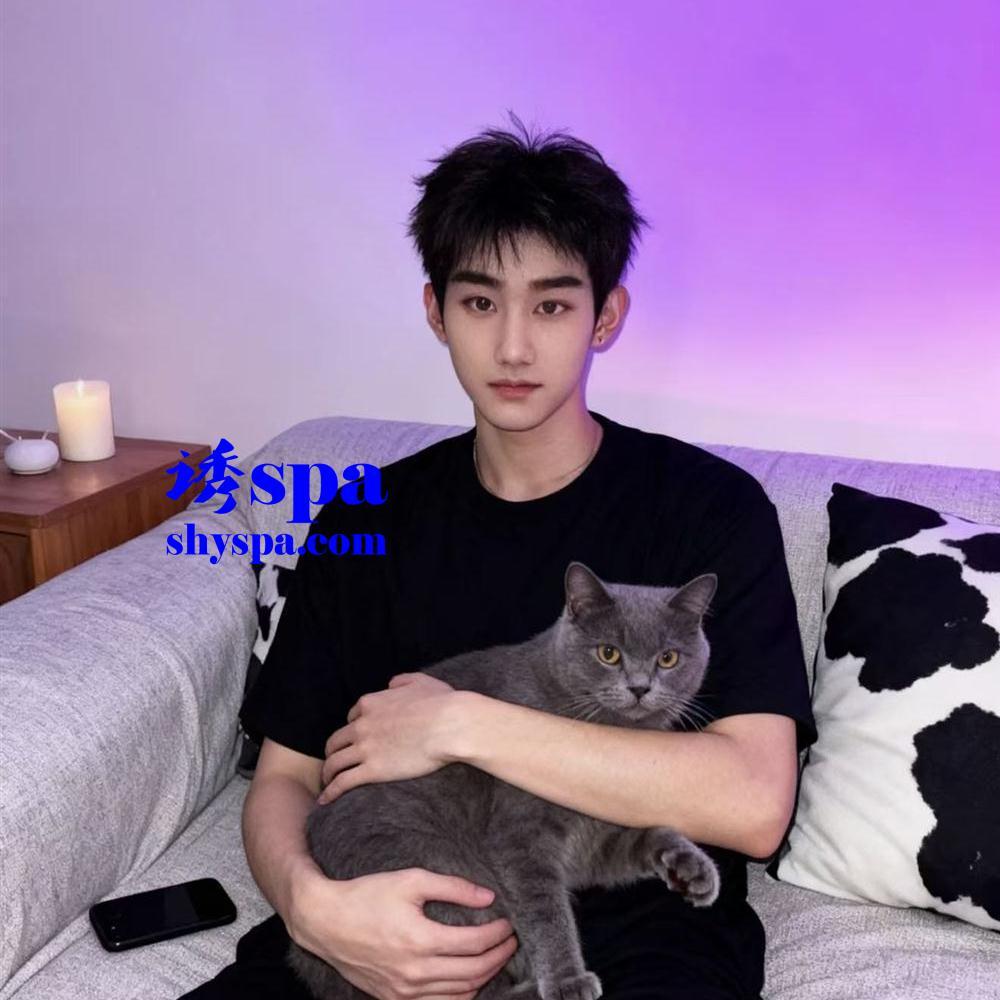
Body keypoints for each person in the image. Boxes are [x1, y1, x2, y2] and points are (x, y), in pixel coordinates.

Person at [181, 112, 816, 1000]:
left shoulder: (708, 510)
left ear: (605, 317)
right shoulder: (368, 517)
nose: (514, 347)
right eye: (481, 303)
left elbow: (752, 804)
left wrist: (461, 726)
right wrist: (310, 905)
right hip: (372, 928)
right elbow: (285, 777)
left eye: (552, 305)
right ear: (436, 312)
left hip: (633, 935)